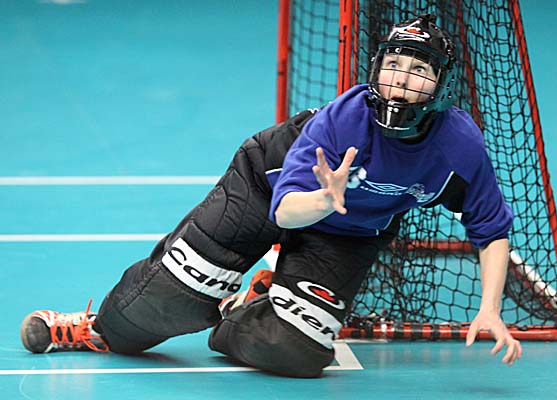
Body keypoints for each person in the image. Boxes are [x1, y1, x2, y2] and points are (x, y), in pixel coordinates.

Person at [20, 14, 522, 378]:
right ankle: (99, 329)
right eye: (393, 64)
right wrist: (324, 200)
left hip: (348, 233)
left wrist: (490, 308)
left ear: (442, 87)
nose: (400, 81)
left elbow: (490, 228)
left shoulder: (459, 146)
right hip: (266, 188)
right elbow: (285, 209)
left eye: (419, 71)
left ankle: (243, 312)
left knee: (295, 352)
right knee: (167, 305)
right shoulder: (344, 121)